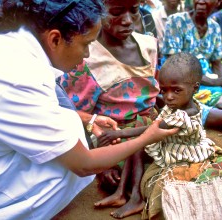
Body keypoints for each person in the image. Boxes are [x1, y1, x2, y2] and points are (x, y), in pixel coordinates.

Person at [0, 0, 181, 218]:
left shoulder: (4, 36)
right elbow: (84, 164)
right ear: (55, 38)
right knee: (66, 171)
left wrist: (86, 119)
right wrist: (148, 137)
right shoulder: (19, 75)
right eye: (86, 45)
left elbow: (32, 109)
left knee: (69, 128)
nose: (85, 56)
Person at [99, 52, 222, 219]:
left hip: (182, 151)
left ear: (195, 88)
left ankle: (135, 198)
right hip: (171, 142)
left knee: (137, 145)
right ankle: (122, 193)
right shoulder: (178, 104)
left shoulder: (185, 113)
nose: (168, 96)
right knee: (136, 147)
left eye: (175, 90)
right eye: (164, 90)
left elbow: (151, 130)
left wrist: (120, 133)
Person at [59, 0, 160, 218]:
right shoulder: (86, 59)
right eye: (116, 12)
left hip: (151, 127)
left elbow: (157, 94)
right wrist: (101, 162)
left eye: (134, 11)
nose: (127, 20)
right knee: (147, 176)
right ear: (98, 14)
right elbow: (76, 117)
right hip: (114, 135)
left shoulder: (149, 45)